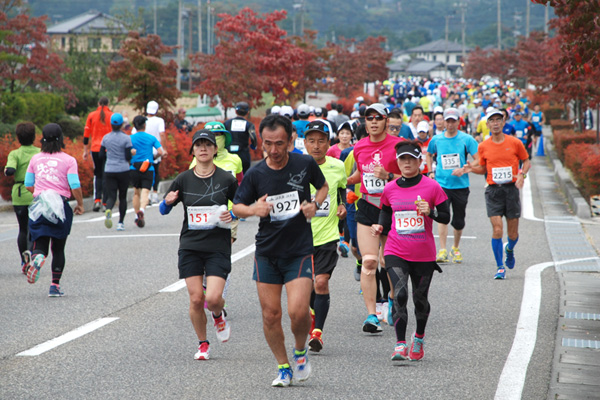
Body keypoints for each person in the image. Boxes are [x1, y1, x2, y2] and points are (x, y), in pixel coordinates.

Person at [232, 114, 328, 387]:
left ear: (291, 141)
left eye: (280, 143)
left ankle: (300, 351)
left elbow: (322, 187)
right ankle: (284, 366)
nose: (274, 150)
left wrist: (315, 205)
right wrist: (253, 209)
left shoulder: (305, 163)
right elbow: (237, 206)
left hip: (298, 250)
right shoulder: (256, 173)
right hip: (267, 252)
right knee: (270, 314)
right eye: (268, 144)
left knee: (298, 312)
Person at [159, 129, 237, 360]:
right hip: (190, 246)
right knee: (196, 298)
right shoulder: (183, 179)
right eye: (198, 145)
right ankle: (203, 344)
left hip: (217, 246)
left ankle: (218, 314)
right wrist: (166, 201)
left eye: (207, 145)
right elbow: (164, 210)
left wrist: (232, 214)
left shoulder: (226, 179)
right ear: (193, 150)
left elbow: (243, 205)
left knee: (212, 299)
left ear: (215, 149)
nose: (203, 149)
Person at [371, 140, 449, 361]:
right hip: (396, 249)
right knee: (401, 294)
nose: (406, 163)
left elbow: (445, 216)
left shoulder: (432, 187)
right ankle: (400, 343)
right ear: (397, 162)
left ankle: (419, 337)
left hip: (423, 253)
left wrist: (430, 212)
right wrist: (380, 226)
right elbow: (385, 213)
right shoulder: (390, 188)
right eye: (402, 159)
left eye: (411, 159)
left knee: (420, 299)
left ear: (419, 161)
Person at [346, 103, 403, 333]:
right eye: (369, 118)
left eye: (378, 118)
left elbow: (412, 175)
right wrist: (345, 180)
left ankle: (391, 301)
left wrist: (389, 176)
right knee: (369, 261)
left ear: (386, 121)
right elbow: (360, 173)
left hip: (391, 207)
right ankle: (371, 315)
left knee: (387, 262)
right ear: (365, 122)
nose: (374, 122)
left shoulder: (398, 145)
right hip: (368, 206)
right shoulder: (359, 147)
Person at [465, 108, 530, 280]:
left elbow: (527, 160)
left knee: (513, 234)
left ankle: (509, 249)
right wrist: (471, 168)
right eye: (491, 120)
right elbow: (483, 169)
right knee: (497, 229)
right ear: (487, 124)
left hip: (511, 190)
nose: (495, 123)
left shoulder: (515, 142)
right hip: (493, 190)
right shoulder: (483, 146)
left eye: (498, 120)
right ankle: (500, 267)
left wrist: (522, 175)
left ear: (503, 122)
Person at [22, 123, 84, 296]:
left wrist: (41, 194)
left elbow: (28, 184)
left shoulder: (35, 159)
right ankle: (54, 286)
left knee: (40, 241)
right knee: (58, 248)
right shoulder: (69, 160)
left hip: (41, 204)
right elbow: (75, 185)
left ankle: (37, 257)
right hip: (60, 206)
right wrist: (80, 203)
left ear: (42, 139)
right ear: (61, 139)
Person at [302, 120, 347, 353]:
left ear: (328, 143)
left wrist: (342, 206)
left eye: (321, 141)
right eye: (311, 141)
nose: (316, 146)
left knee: (320, 282)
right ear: (304, 143)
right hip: (300, 238)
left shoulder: (337, 166)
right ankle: (312, 315)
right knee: (307, 288)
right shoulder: (295, 166)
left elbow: (341, 191)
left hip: (327, 236)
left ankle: (317, 333)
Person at [426, 108, 479, 264]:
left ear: (458, 122)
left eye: (453, 121)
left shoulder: (467, 139)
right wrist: (430, 171)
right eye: (447, 121)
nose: (450, 124)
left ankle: (455, 247)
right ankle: (442, 250)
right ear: (443, 121)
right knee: (443, 217)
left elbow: (478, 159)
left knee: (458, 220)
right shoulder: (436, 139)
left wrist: (465, 169)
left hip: (461, 186)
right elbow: (428, 154)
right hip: (442, 185)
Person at [4, 122, 40, 272]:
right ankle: (31, 255)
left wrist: (8, 170)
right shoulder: (40, 152)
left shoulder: (15, 154)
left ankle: (23, 261)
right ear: (34, 137)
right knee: (34, 227)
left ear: (18, 138)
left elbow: (9, 170)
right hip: (36, 193)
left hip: (19, 193)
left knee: (22, 229)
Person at [100, 113, 134, 231]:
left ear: (111, 124)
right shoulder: (126, 138)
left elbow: (101, 154)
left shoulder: (106, 138)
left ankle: (108, 208)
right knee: (123, 197)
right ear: (122, 125)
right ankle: (120, 222)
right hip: (123, 170)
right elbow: (128, 156)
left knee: (111, 196)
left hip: (109, 169)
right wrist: (132, 153)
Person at [130, 115, 165, 228]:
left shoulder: (130, 138)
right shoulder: (151, 138)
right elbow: (161, 151)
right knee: (145, 191)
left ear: (134, 126)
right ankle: (142, 210)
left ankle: (136, 216)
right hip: (147, 167)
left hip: (134, 168)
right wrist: (153, 157)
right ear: (144, 125)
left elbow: (127, 151)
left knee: (136, 192)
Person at [83, 96, 113, 211]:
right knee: (106, 174)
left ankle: (97, 200)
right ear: (108, 104)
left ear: (98, 103)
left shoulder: (91, 115)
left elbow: (86, 135)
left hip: (95, 148)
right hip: (108, 149)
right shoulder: (112, 116)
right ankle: (105, 202)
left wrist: (85, 151)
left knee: (98, 174)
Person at [143, 101, 167, 204]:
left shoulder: (143, 120)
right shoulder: (159, 120)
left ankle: (147, 195)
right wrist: (164, 148)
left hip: (144, 151)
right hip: (156, 150)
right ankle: (155, 194)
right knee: (156, 172)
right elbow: (162, 134)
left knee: (145, 172)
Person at [224, 101, 257, 173]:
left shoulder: (227, 123)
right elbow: (253, 137)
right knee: (244, 175)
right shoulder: (249, 124)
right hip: (243, 153)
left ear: (235, 111)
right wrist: (253, 146)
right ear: (247, 112)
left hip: (228, 153)